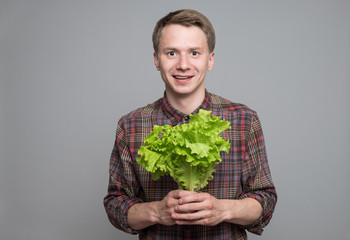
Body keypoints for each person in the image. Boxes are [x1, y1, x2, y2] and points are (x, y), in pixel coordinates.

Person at [104, 9, 277, 240]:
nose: (183, 65)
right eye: (172, 53)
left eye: (194, 53)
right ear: (157, 60)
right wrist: (156, 212)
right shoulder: (131, 125)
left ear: (210, 60)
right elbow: (116, 205)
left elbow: (264, 200)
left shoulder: (243, 120)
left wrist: (222, 210)